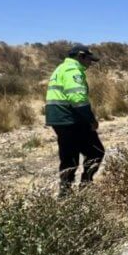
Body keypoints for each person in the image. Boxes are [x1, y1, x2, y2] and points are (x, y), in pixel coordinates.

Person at [45, 44, 104, 196]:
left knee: (69, 156)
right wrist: (91, 119)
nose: (90, 63)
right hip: (71, 118)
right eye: (89, 59)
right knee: (96, 152)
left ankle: (65, 192)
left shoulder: (61, 68)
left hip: (58, 118)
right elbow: (78, 98)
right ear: (80, 56)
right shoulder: (73, 70)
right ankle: (85, 185)